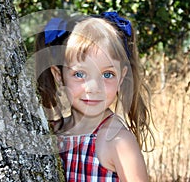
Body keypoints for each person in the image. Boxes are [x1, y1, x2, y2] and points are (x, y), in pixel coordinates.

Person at [35, 12, 154, 181]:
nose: (94, 88)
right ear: (59, 75)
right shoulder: (53, 132)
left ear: (121, 76)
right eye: (80, 74)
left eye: (107, 74)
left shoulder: (117, 141)